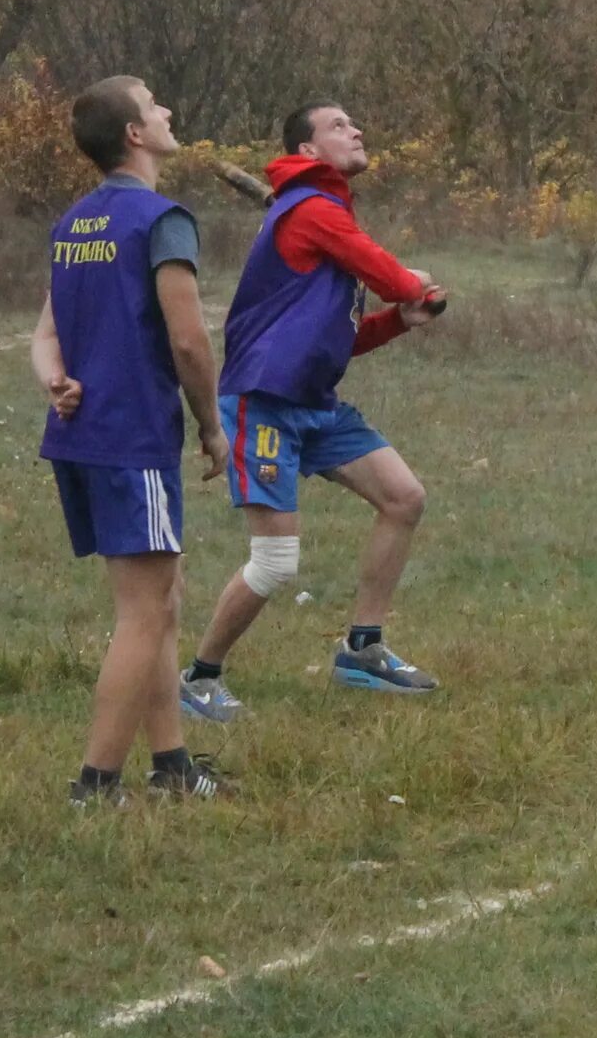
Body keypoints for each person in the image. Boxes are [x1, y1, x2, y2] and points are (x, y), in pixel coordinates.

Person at [183, 101, 448, 708]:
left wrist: (400, 320)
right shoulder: (312, 211)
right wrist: (413, 284)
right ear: (307, 152)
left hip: (314, 401)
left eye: (355, 121)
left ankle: (362, 650)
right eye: (338, 126)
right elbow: (390, 275)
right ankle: (199, 679)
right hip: (265, 401)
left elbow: (338, 339)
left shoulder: (325, 217)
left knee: (404, 498)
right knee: (276, 562)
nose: (356, 129)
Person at [30, 76, 229, 804]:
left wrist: (55, 380)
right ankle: (97, 784)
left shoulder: (74, 223)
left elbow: (45, 336)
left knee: (162, 596)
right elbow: (188, 338)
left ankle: (171, 764)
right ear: (136, 136)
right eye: (155, 104)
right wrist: (211, 424)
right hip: (131, 440)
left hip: (79, 440)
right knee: (143, 612)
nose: (169, 109)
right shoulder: (161, 219)